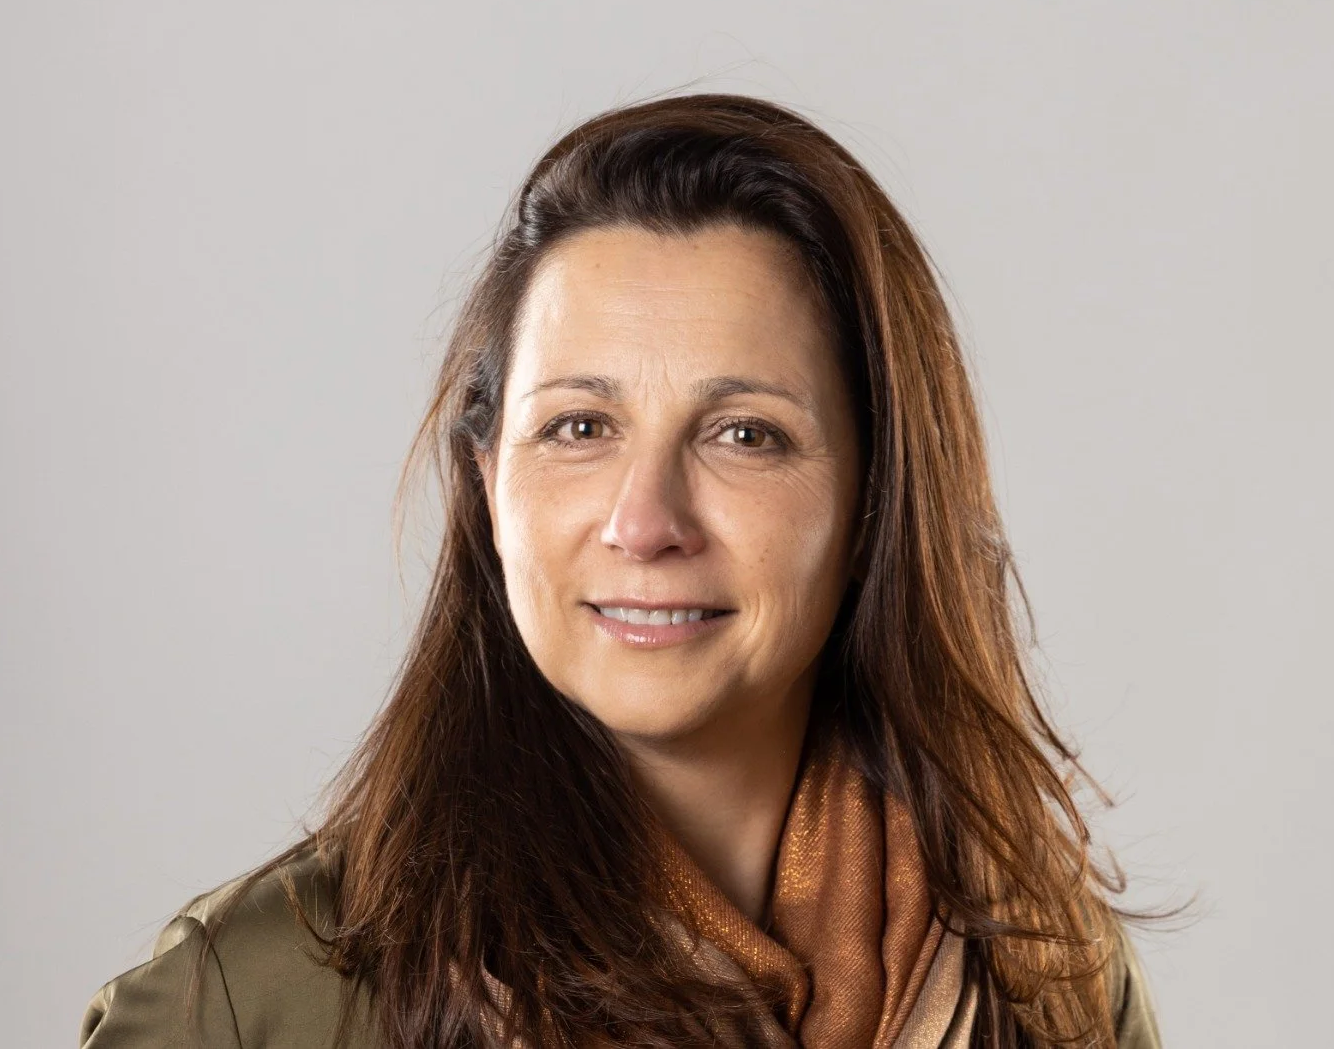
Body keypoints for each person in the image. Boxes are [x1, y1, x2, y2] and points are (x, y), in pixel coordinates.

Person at [78, 93, 1164, 1048]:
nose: (644, 522)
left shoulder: (1049, 977)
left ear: (877, 498)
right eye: (580, 425)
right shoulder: (247, 1003)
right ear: (487, 476)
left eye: (744, 435)